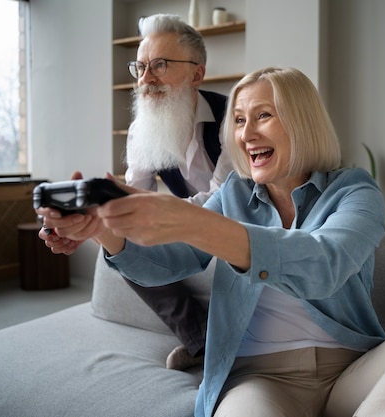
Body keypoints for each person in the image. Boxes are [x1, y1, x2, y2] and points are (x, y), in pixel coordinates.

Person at [39, 67, 385, 417]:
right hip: (259, 379)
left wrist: (191, 221)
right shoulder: (232, 195)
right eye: (239, 120)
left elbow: (326, 264)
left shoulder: (354, 191)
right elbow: (169, 262)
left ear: (300, 121)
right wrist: (103, 232)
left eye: (263, 116)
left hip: (354, 373)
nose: (245, 133)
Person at [38, 14, 232, 371]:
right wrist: (90, 224)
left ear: (197, 74)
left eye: (160, 65)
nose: (145, 79)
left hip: (235, 223)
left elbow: (219, 206)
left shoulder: (233, 120)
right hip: (187, 222)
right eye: (140, 67)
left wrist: (148, 213)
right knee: (126, 251)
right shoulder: (142, 129)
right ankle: (201, 339)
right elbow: (132, 203)